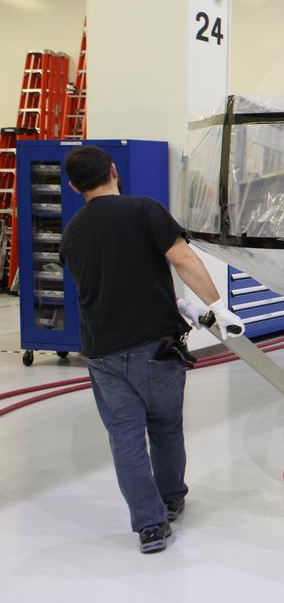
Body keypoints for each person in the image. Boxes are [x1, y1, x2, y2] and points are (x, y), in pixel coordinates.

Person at [59, 145, 244, 554]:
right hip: (154, 347)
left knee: (125, 438)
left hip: (101, 352)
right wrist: (215, 306)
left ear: (74, 187)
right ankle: (172, 497)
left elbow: (92, 286)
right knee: (163, 427)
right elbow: (183, 258)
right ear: (113, 171)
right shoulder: (144, 210)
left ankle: (150, 526)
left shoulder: (72, 231)